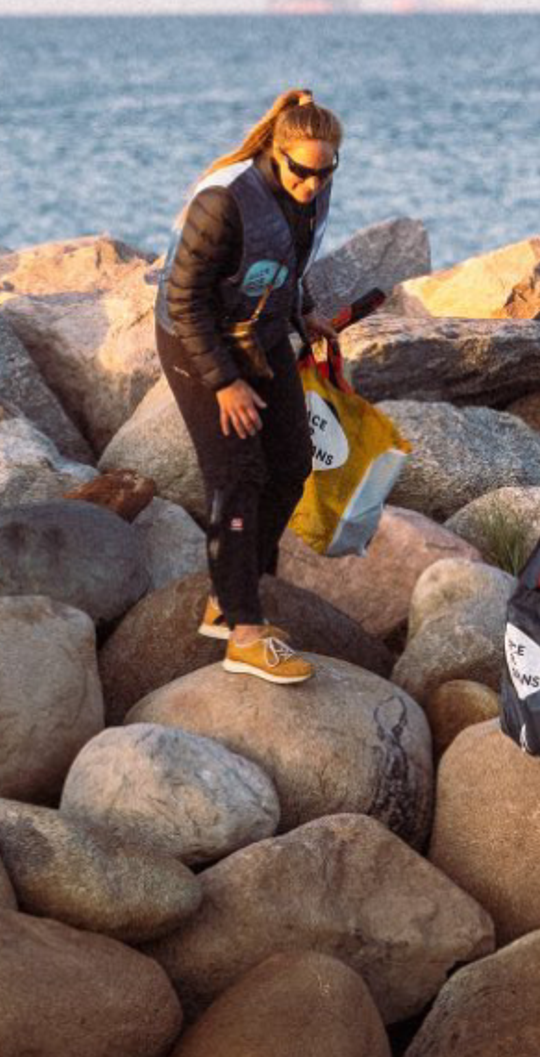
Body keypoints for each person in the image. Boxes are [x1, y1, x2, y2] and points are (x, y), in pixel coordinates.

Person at [153, 87, 384, 685]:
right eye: (302, 172)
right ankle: (244, 634)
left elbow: (285, 264)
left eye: (325, 172)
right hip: (195, 339)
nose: (313, 185)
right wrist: (225, 384)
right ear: (277, 156)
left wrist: (301, 313)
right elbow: (184, 300)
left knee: (290, 463)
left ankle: (230, 598)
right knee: (237, 474)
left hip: (259, 330)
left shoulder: (312, 192)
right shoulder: (223, 203)